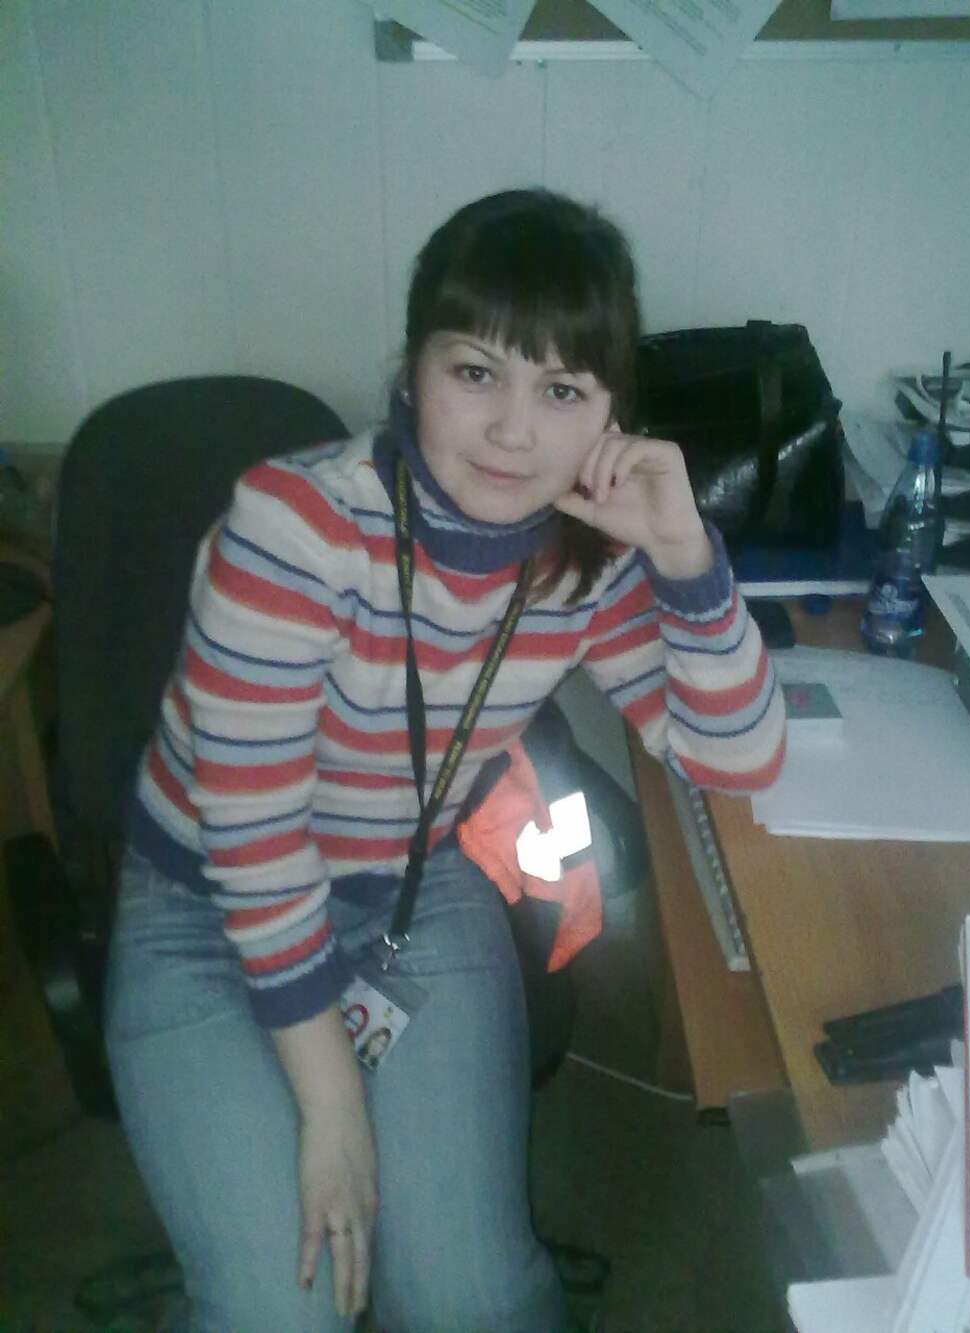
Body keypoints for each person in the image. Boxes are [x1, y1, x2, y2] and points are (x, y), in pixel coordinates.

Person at [105, 188, 786, 1333]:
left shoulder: (588, 555)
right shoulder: (295, 527)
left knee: (473, 1301)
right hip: (206, 910)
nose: (514, 432)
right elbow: (257, 846)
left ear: (610, 416)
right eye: (476, 372)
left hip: (410, 892)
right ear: (413, 368)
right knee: (282, 1310)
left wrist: (684, 554)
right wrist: (334, 1109)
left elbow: (734, 756)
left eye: (561, 391)